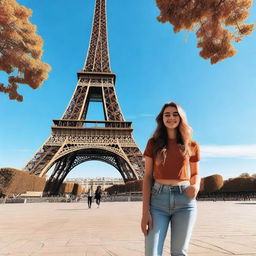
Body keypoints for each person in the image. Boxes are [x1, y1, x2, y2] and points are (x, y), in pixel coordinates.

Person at [141, 102, 201, 256]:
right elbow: (147, 177)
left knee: (179, 252)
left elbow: (195, 173)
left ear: (181, 118)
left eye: (175, 114)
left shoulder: (192, 145)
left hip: (185, 201)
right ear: (162, 118)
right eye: (167, 114)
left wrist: (196, 186)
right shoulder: (153, 143)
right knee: (151, 252)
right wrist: (145, 212)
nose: (171, 117)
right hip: (158, 202)